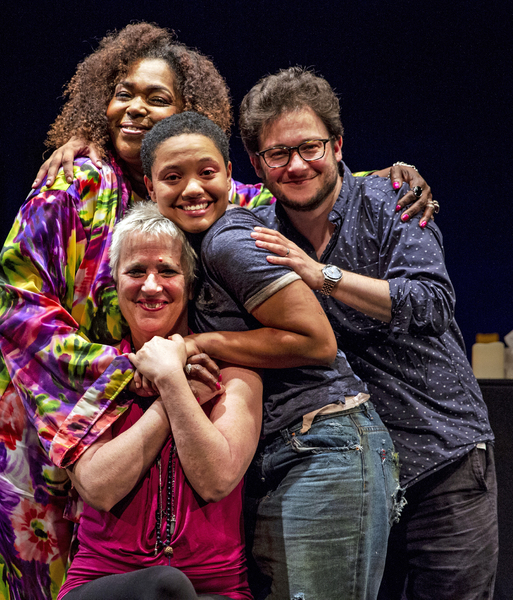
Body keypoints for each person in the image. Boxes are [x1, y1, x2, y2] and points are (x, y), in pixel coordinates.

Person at [0, 23, 236, 600]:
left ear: (187, 114)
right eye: (123, 91)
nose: (133, 108)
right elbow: (16, 299)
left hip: (117, 404)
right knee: (24, 555)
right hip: (28, 403)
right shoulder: (75, 179)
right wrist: (129, 370)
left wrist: (366, 185)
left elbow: (270, 194)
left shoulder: (176, 186)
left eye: (157, 99)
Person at [238, 66, 497, 600]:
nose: (296, 165)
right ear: (257, 165)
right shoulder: (257, 231)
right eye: (277, 154)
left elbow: (431, 301)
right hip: (348, 475)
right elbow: (191, 189)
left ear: (337, 145)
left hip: (440, 456)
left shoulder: (393, 202)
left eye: (309, 147)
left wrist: (323, 277)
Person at [139, 111, 401, 600]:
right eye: (173, 177)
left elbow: (316, 342)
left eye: (207, 172)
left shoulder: (227, 241)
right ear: (149, 187)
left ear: (230, 173)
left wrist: (200, 344)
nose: (193, 188)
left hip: (324, 445)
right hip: (289, 451)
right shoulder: (193, 247)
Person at [57, 202, 262, 600]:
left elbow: (217, 479)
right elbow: (98, 488)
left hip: (218, 587)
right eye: (136, 271)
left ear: (190, 283)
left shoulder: (236, 373)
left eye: (167, 271)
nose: (151, 286)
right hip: (105, 582)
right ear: (115, 283)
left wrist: (169, 379)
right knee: (163, 585)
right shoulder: (90, 373)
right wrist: (173, 389)